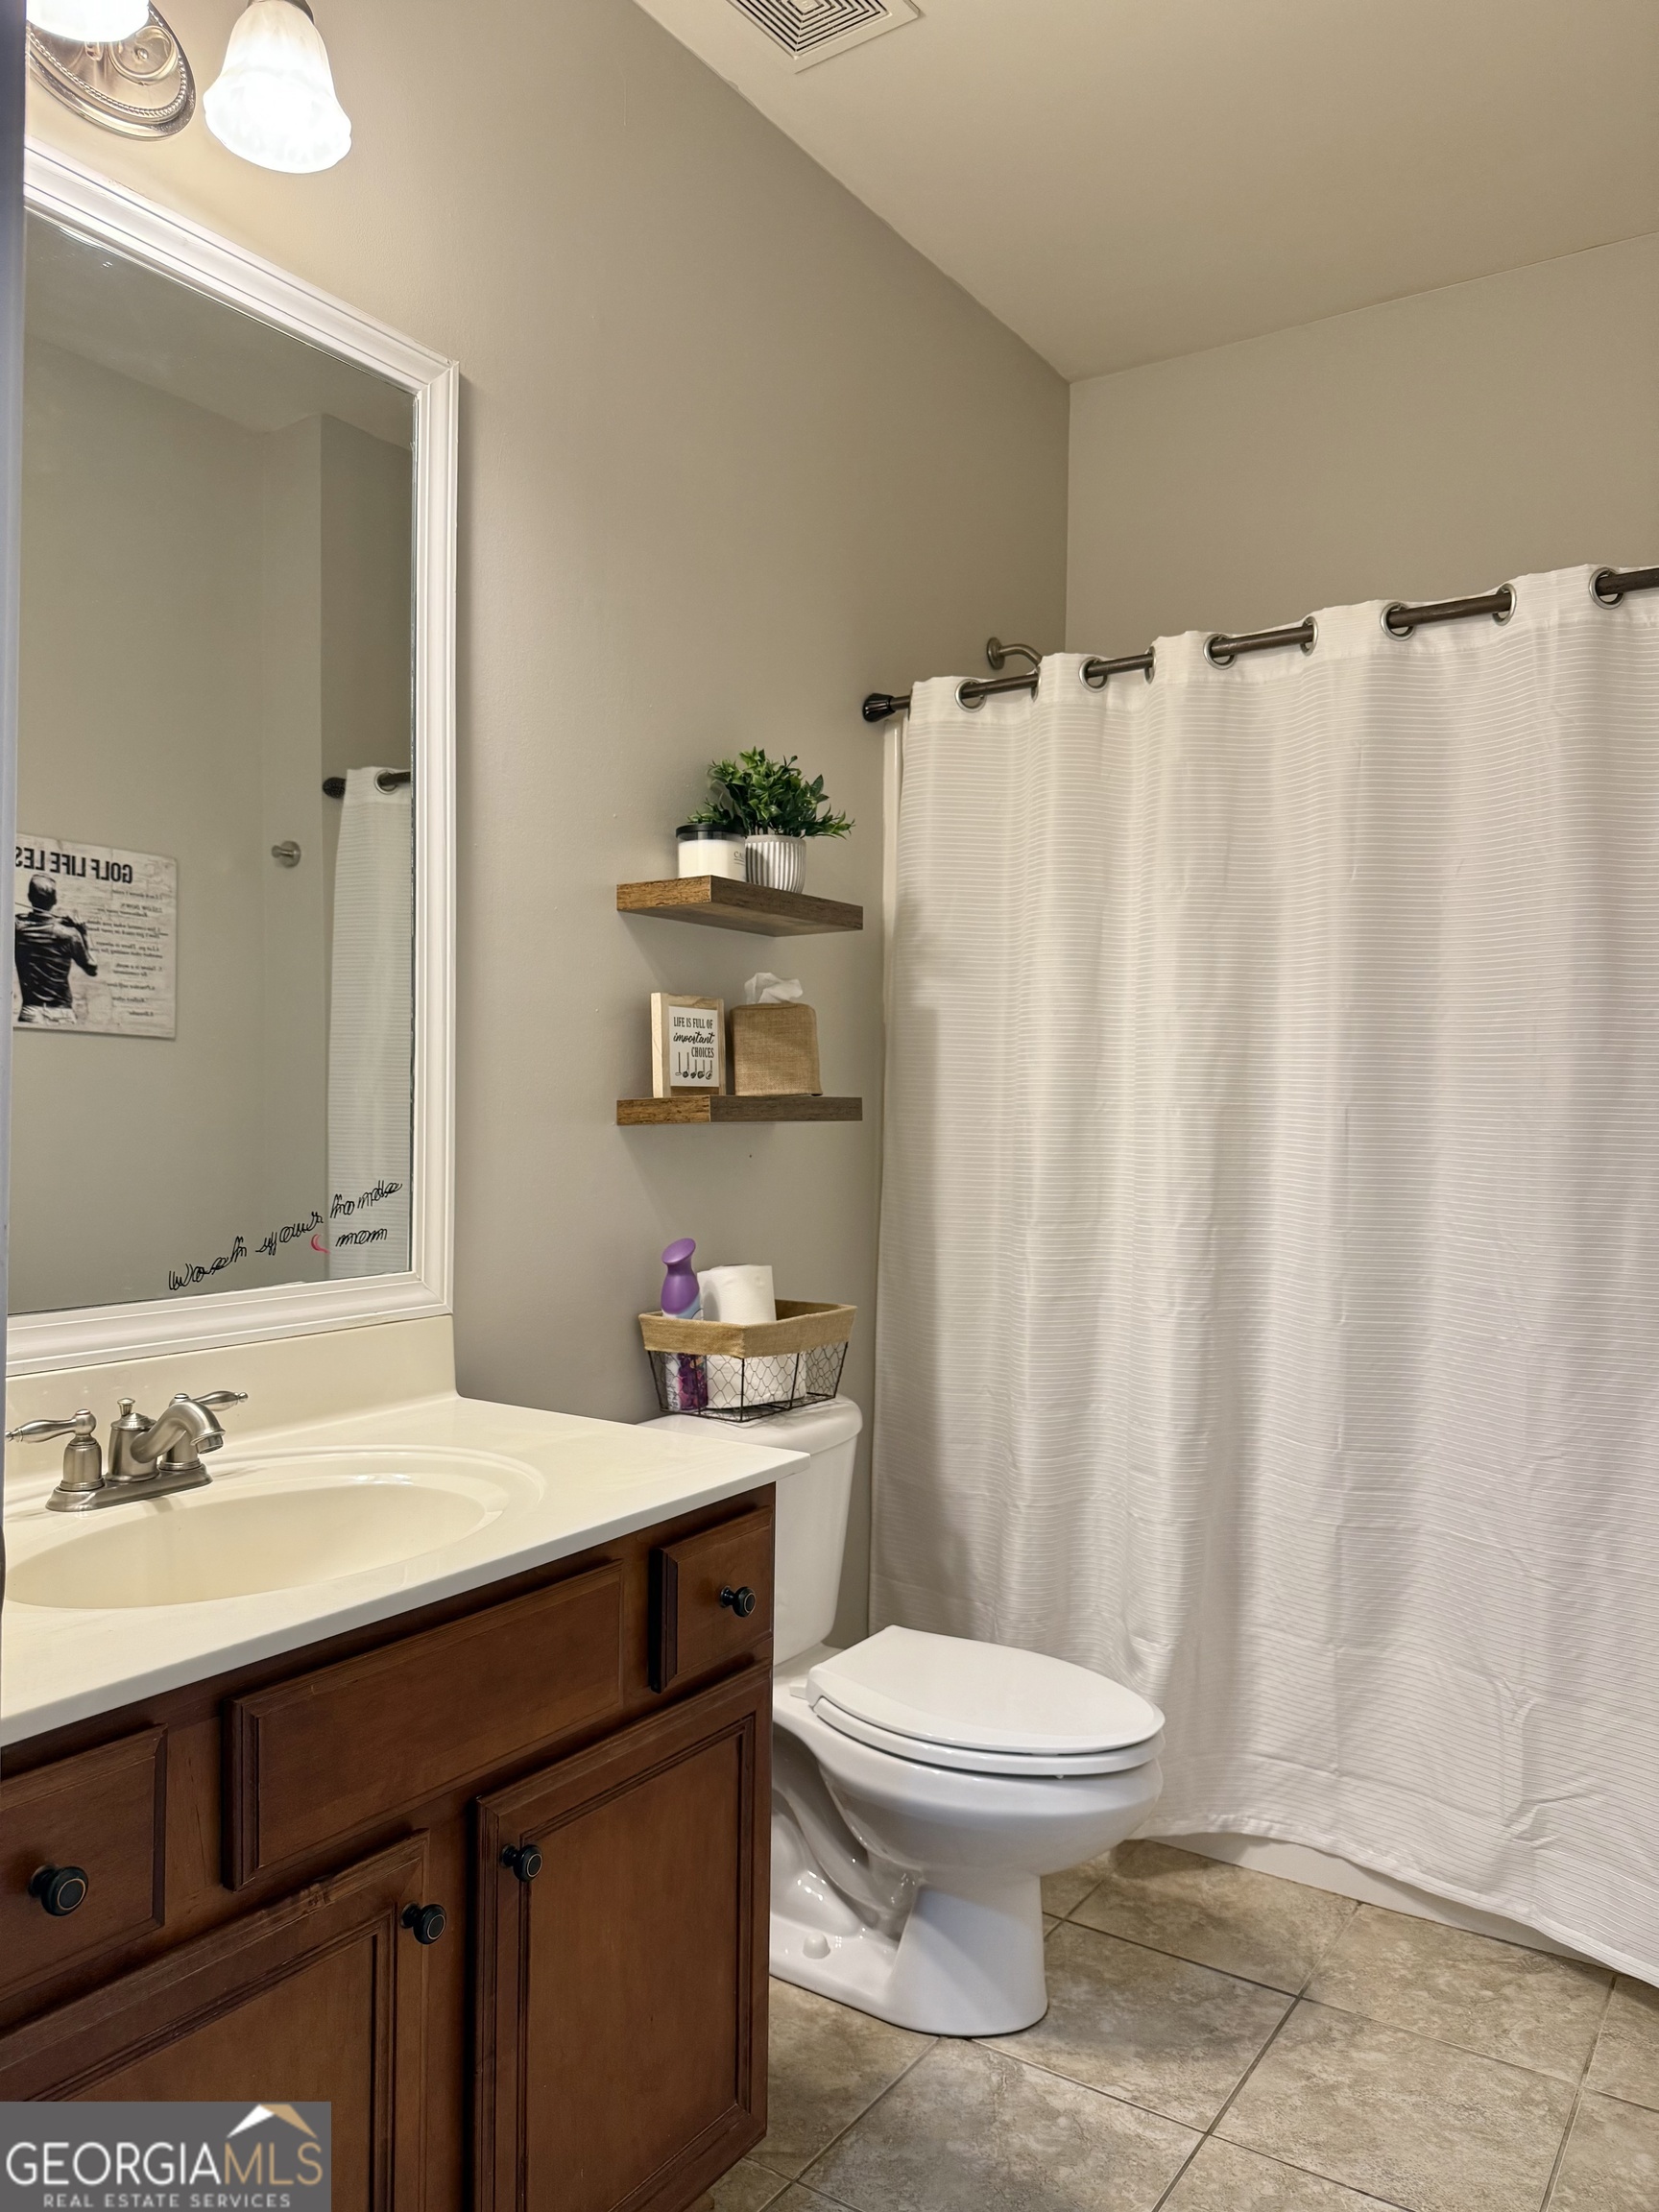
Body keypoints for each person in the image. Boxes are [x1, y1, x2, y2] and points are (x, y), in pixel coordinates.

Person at [14, 872, 95, 1025]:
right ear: (55, 900)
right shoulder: (69, 934)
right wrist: (84, 934)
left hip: (32, 1012)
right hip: (63, 1013)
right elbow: (92, 968)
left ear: (30, 897)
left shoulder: (18, 928)